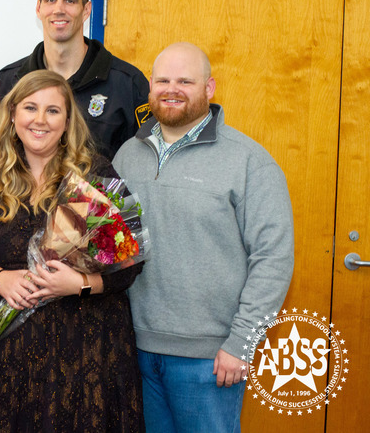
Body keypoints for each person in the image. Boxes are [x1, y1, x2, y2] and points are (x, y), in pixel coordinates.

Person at [112, 42, 294, 433]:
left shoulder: (249, 161)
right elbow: (112, 244)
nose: (171, 88)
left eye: (185, 80)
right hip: (136, 349)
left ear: (209, 88)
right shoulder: (127, 155)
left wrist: (242, 342)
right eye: (162, 79)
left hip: (210, 358)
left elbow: (273, 259)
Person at [0, 70, 145, 432]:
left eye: (53, 111)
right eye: (30, 107)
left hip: (88, 350)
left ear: (67, 121)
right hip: (10, 354)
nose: (40, 120)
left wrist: (77, 283)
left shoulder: (96, 173)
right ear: (12, 115)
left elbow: (129, 263)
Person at [0, 0, 150, 159]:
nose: (59, 9)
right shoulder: (6, 82)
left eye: (70, 0)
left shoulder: (128, 84)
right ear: (39, 8)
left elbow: (147, 159)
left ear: (86, 10)